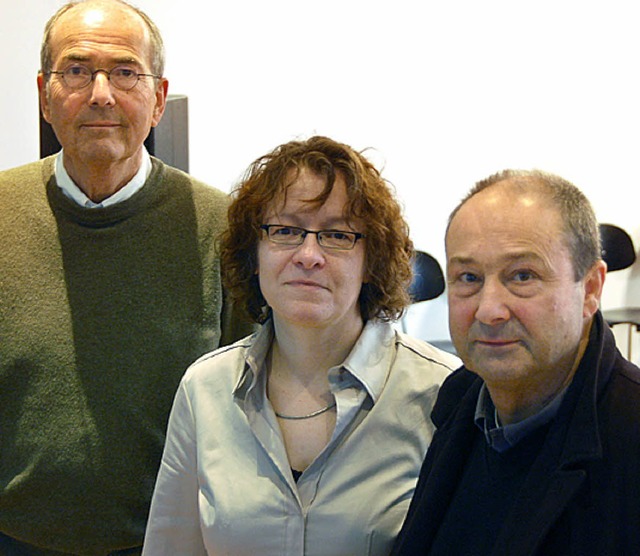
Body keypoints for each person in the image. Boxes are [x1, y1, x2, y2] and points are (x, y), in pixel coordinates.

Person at [0, 1, 252, 553]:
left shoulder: (224, 227)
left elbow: (249, 396)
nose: (100, 93)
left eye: (124, 72)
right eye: (76, 70)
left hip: (167, 539)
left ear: (158, 100)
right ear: (45, 94)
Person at [142, 135, 459, 555]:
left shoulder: (442, 392)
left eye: (338, 235)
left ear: (372, 261)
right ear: (254, 256)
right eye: (286, 230)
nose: (308, 255)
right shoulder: (206, 388)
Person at [391, 169, 640, 556]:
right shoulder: (458, 401)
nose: (489, 309)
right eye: (469, 277)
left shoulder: (629, 435)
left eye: (523, 275)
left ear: (590, 289)